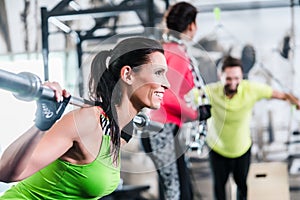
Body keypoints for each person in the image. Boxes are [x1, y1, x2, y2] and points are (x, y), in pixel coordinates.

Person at [0, 37, 170, 199]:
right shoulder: (87, 121)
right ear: (127, 75)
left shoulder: (121, 131)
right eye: (158, 72)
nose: (167, 84)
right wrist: (42, 124)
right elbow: (6, 173)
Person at [140, 2, 211, 200]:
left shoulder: (166, 49)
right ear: (191, 25)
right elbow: (167, 96)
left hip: (160, 128)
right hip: (162, 130)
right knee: (176, 194)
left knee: (177, 190)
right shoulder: (177, 53)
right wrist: (197, 114)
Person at [204, 55, 300, 200]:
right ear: (220, 76)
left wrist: (296, 102)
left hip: (242, 149)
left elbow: (280, 95)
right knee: (219, 188)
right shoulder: (211, 91)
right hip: (217, 150)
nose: (233, 82)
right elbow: (187, 96)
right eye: (228, 78)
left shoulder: (251, 89)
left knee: (242, 186)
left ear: (242, 76)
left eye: (237, 78)